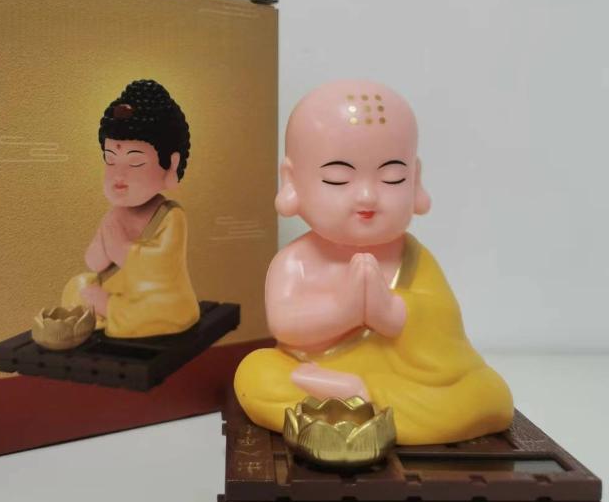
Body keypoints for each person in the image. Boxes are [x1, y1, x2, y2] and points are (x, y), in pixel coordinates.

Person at [234, 80, 514, 445]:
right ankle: (359, 407)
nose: (367, 196)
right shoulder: (295, 261)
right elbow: (286, 326)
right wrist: (346, 310)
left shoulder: (413, 258)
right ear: (292, 182)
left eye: (392, 177)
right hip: (311, 369)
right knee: (255, 373)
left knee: (487, 393)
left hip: (403, 381)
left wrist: (391, 312)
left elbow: (445, 334)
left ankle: (349, 404)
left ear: (415, 180)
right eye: (338, 178)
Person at [61, 79, 200, 339]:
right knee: (77, 285)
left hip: (157, 297)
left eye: (135, 162)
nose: (118, 175)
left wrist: (119, 245)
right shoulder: (114, 215)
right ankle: (105, 308)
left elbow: (159, 267)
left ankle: (108, 309)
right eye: (110, 160)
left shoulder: (171, 216)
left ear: (171, 165)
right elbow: (94, 263)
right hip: (120, 289)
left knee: (161, 311)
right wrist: (106, 235)